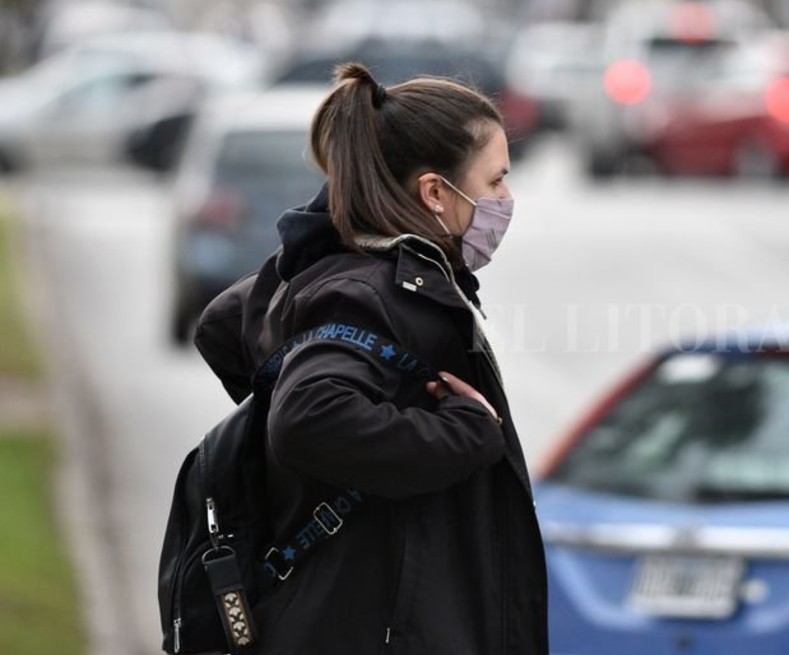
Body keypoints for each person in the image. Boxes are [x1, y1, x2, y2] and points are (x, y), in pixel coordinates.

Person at [193, 62, 547, 655]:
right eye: (496, 181)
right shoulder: (371, 294)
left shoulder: (347, 274)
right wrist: (465, 434)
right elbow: (308, 415)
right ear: (435, 192)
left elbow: (226, 329)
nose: (506, 199)